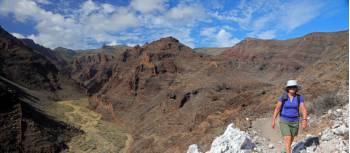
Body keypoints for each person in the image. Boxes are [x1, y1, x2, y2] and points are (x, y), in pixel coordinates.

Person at [271, 80, 308, 153]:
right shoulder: (283, 97)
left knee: (291, 138)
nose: (292, 88)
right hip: (284, 120)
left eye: (294, 87)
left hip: (295, 121)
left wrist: (304, 120)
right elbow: (277, 109)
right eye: (290, 87)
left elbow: (303, 109)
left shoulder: (299, 97)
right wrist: (273, 120)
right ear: (288, 88)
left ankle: (285, 150)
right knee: (288, 138)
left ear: (296, 88)